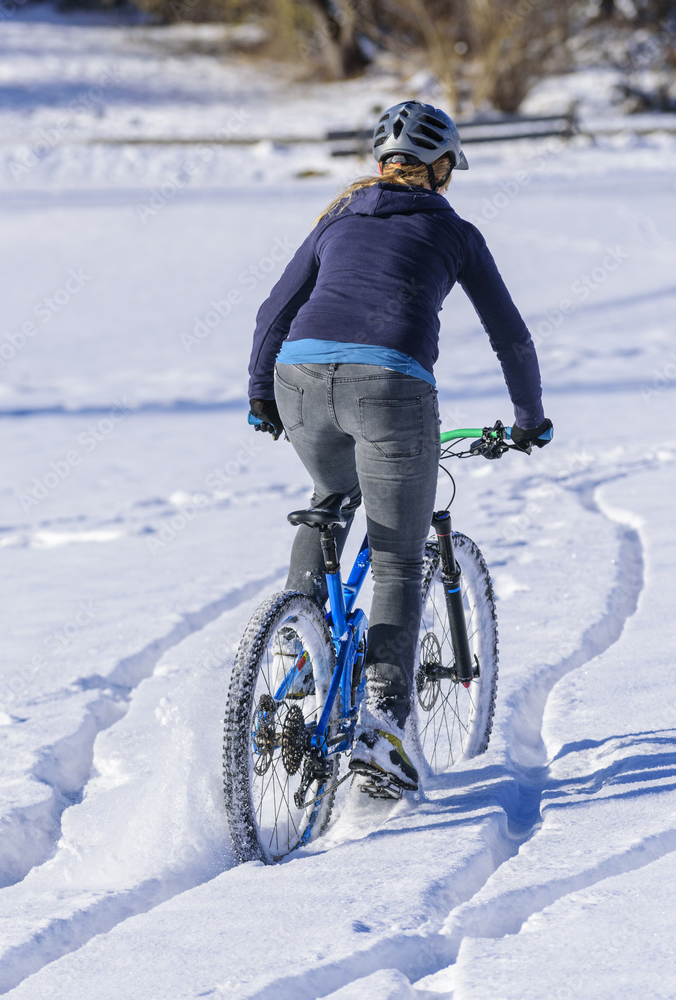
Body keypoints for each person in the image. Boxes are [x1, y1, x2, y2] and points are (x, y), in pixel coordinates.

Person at [247, 100, 551, 796]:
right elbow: (511, 337)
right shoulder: (456, 231)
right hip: (390, 388)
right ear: (441, 168)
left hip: (298, 378)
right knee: (396, 560)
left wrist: (261, 394)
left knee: (330, 497)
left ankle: (300, 640)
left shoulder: (338, 217)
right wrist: (529, 419)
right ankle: (382, 725)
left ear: (382, 163)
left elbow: (274, 311)